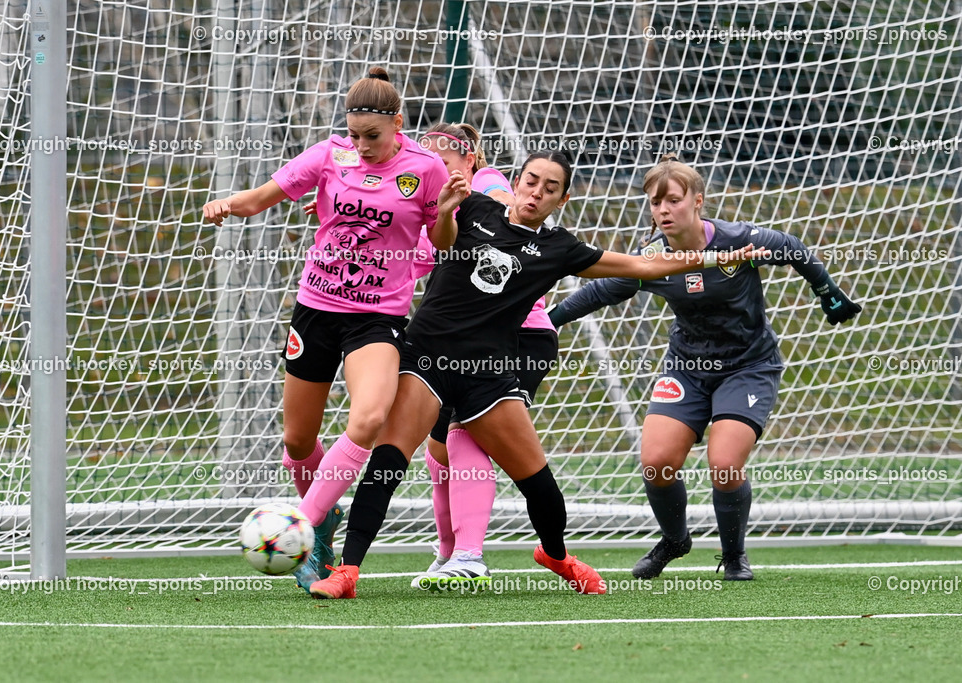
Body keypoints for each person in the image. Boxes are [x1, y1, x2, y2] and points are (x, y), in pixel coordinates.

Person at [306, 150, 768, 599]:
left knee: (540, 486)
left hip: (489, 375)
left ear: (561, 200)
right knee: (387, 463)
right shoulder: (474, 208)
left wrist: (711, 259)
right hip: (427, 360)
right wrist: (338, 206)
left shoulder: (559, 247)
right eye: (531, 182)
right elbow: (424, 227)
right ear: (516, 181)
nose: (536, 193)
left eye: (550, 189)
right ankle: (347, 571)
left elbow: (644, 265)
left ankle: (556, 556)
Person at [548, 155, 861, 580]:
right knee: (656, 463)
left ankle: (734, 557)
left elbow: (792, 247)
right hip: (687, 368)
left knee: (726, 464)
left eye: (672, 200)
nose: (662, 211)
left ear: (698, 201)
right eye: (655, 203)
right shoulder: (652, 258)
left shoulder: (738, 240)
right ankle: (675, 540)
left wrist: (828, 292)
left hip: (748, 367)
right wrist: (546, 321)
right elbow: (601, 291)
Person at [202, 67, 450, 592]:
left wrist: (447, 211)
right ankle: (327, 516)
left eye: (373, 137)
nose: (361, 145)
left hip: (377, 319)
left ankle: (305, 527)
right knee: (297, 440)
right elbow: (262, 196)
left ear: (398, 124)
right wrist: (227, 205)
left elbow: (443, 242)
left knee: (369, 416)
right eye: (354, 134)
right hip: (316, 310)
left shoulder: (425, 169)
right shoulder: (328, 155)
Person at [413, 123, 561, 588]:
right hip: (460, 340)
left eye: (443, 162)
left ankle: (471, 557)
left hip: (519, 336)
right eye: (426, 162)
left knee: (464, 435)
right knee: (437, 453)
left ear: (470, 160)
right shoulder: (435, 207)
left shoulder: (489, 186)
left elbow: (505, 219)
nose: (433, 170)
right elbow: (422, 256)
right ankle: (449, 553)